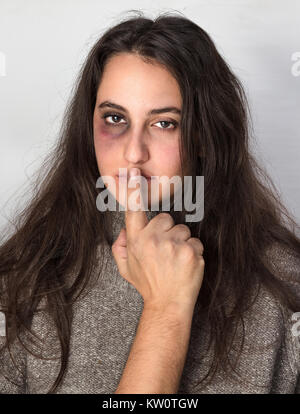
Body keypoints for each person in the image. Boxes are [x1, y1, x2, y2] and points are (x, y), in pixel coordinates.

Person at [0, 11, 300, 394]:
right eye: (114, 118)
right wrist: (166, 312)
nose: (134, 152)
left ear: (205, 136)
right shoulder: (22, 283)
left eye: (164, 123)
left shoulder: (285, 288)